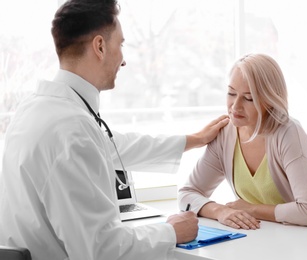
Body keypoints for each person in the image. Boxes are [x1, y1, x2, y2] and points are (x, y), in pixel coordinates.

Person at [0, 1, 229, 260]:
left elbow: (113, 145)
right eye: (120, 45)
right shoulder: (71, 129)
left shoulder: (35, 109)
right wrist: (170, 232)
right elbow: (102, 250)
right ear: (99, 47)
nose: (123, 59)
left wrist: (193, 140)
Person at [178, 53, 307, 230]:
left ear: (269, 100)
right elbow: (187, 194)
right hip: (281, 240)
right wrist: (220, 211)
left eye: (249, 98)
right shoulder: (225, 134)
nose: (235, 106)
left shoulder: (288, 133)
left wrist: (252, 209)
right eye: (231, 93)